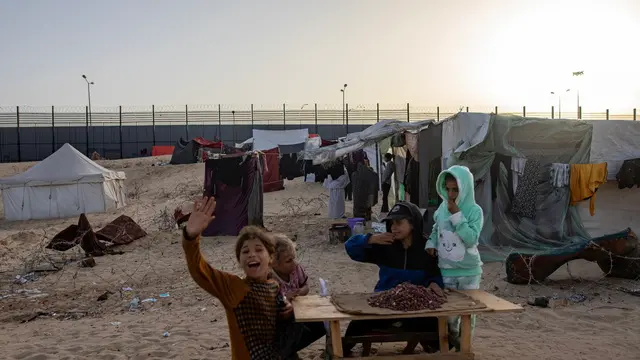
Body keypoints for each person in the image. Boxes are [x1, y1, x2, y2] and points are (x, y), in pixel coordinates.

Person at [182, 196, 294, 359]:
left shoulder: (273, 286)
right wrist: (190, 237)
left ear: (270, 257)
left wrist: (287, 309)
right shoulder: (234, 287)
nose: (252, 255)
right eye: (245, 251)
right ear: (240, 261)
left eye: (258, 249)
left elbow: (279, 317)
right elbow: (200, 270)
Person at [343, 201, 444, 356]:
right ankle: (341, 350)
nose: (393, 228)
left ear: (413, 224)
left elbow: (434, 274)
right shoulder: (385, 244)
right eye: (391, 223)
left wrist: (434, 283)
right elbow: (350, 248)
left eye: (398, 223)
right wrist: (370, 239)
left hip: (415, 308)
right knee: (357, 325)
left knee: (437, 329)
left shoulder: (427, 248)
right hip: (384, 305)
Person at [425, 165, 484, 351]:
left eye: (455, 189)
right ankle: (452, 343)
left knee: (467, 312)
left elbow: (471, 239)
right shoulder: (442, 208)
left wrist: (457, 215)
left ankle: (464, 348)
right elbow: (437, 229)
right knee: (449, 313)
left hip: (469, 271)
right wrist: (431, 243)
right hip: (446, 270)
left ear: (465, 188)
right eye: (448, 189)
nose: (451, 194)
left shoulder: (474, 211)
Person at [271, 234, 326, 357]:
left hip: (300, 311)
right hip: (282, 320)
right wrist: (286, 298)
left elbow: (305, 285)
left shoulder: (296, 269)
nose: (294, 263)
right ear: (274, 263)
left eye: (294, 258)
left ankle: (289, 351)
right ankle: (286, 352)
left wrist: (301, 292)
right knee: (295, 330)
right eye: (288, 261)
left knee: (321, 326)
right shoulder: (269, 278)